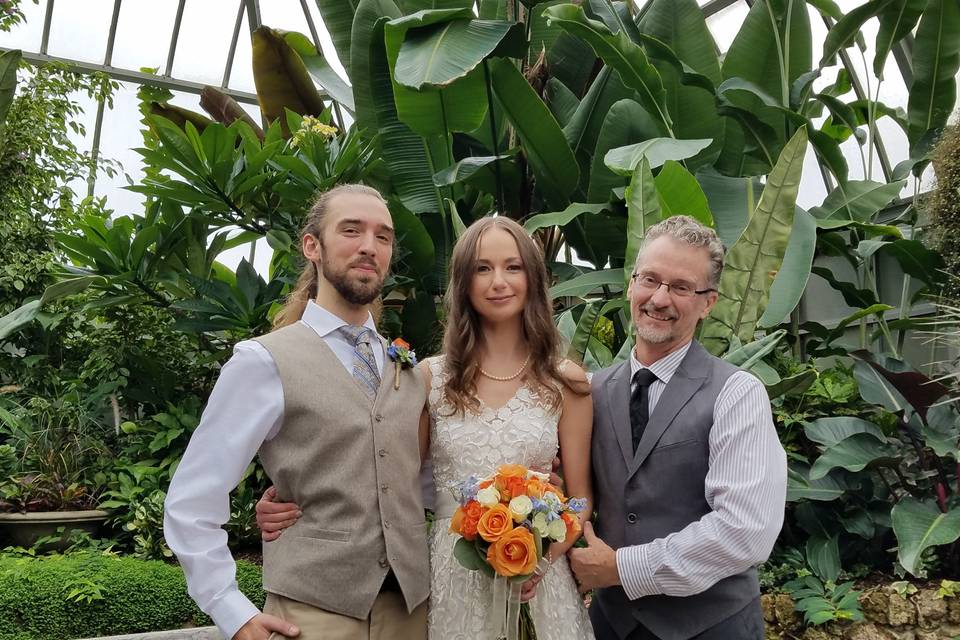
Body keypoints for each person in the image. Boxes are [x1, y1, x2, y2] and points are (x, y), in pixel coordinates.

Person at [258, 217, 597, 639]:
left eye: (513, 267)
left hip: (539, 588)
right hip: (453, 579)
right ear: (463, 283)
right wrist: (283, 498)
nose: (499, 282)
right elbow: (386, 477)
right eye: (482, 268)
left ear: (533, 277)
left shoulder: (566, 382)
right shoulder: (428, 379)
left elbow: (579, 501)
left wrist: (540, 559)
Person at [163, 184, 430, 640]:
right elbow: (192, 500)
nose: (369, 246)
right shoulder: (262, 361)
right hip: (311, 615)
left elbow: (420, 485)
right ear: (312, 246)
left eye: (383, 237)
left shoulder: (406, 366)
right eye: (351, 231)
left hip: (411, 614)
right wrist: (232, 611)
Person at [568, 215, 787, 640]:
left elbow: (745, 531)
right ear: (631, 285)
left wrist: (620, 569)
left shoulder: (737, 394)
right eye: (650, 279)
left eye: (682, 287)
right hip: (611, 626)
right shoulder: (589, 391)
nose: (660, 298)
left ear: (708, 303)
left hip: (711, 627)